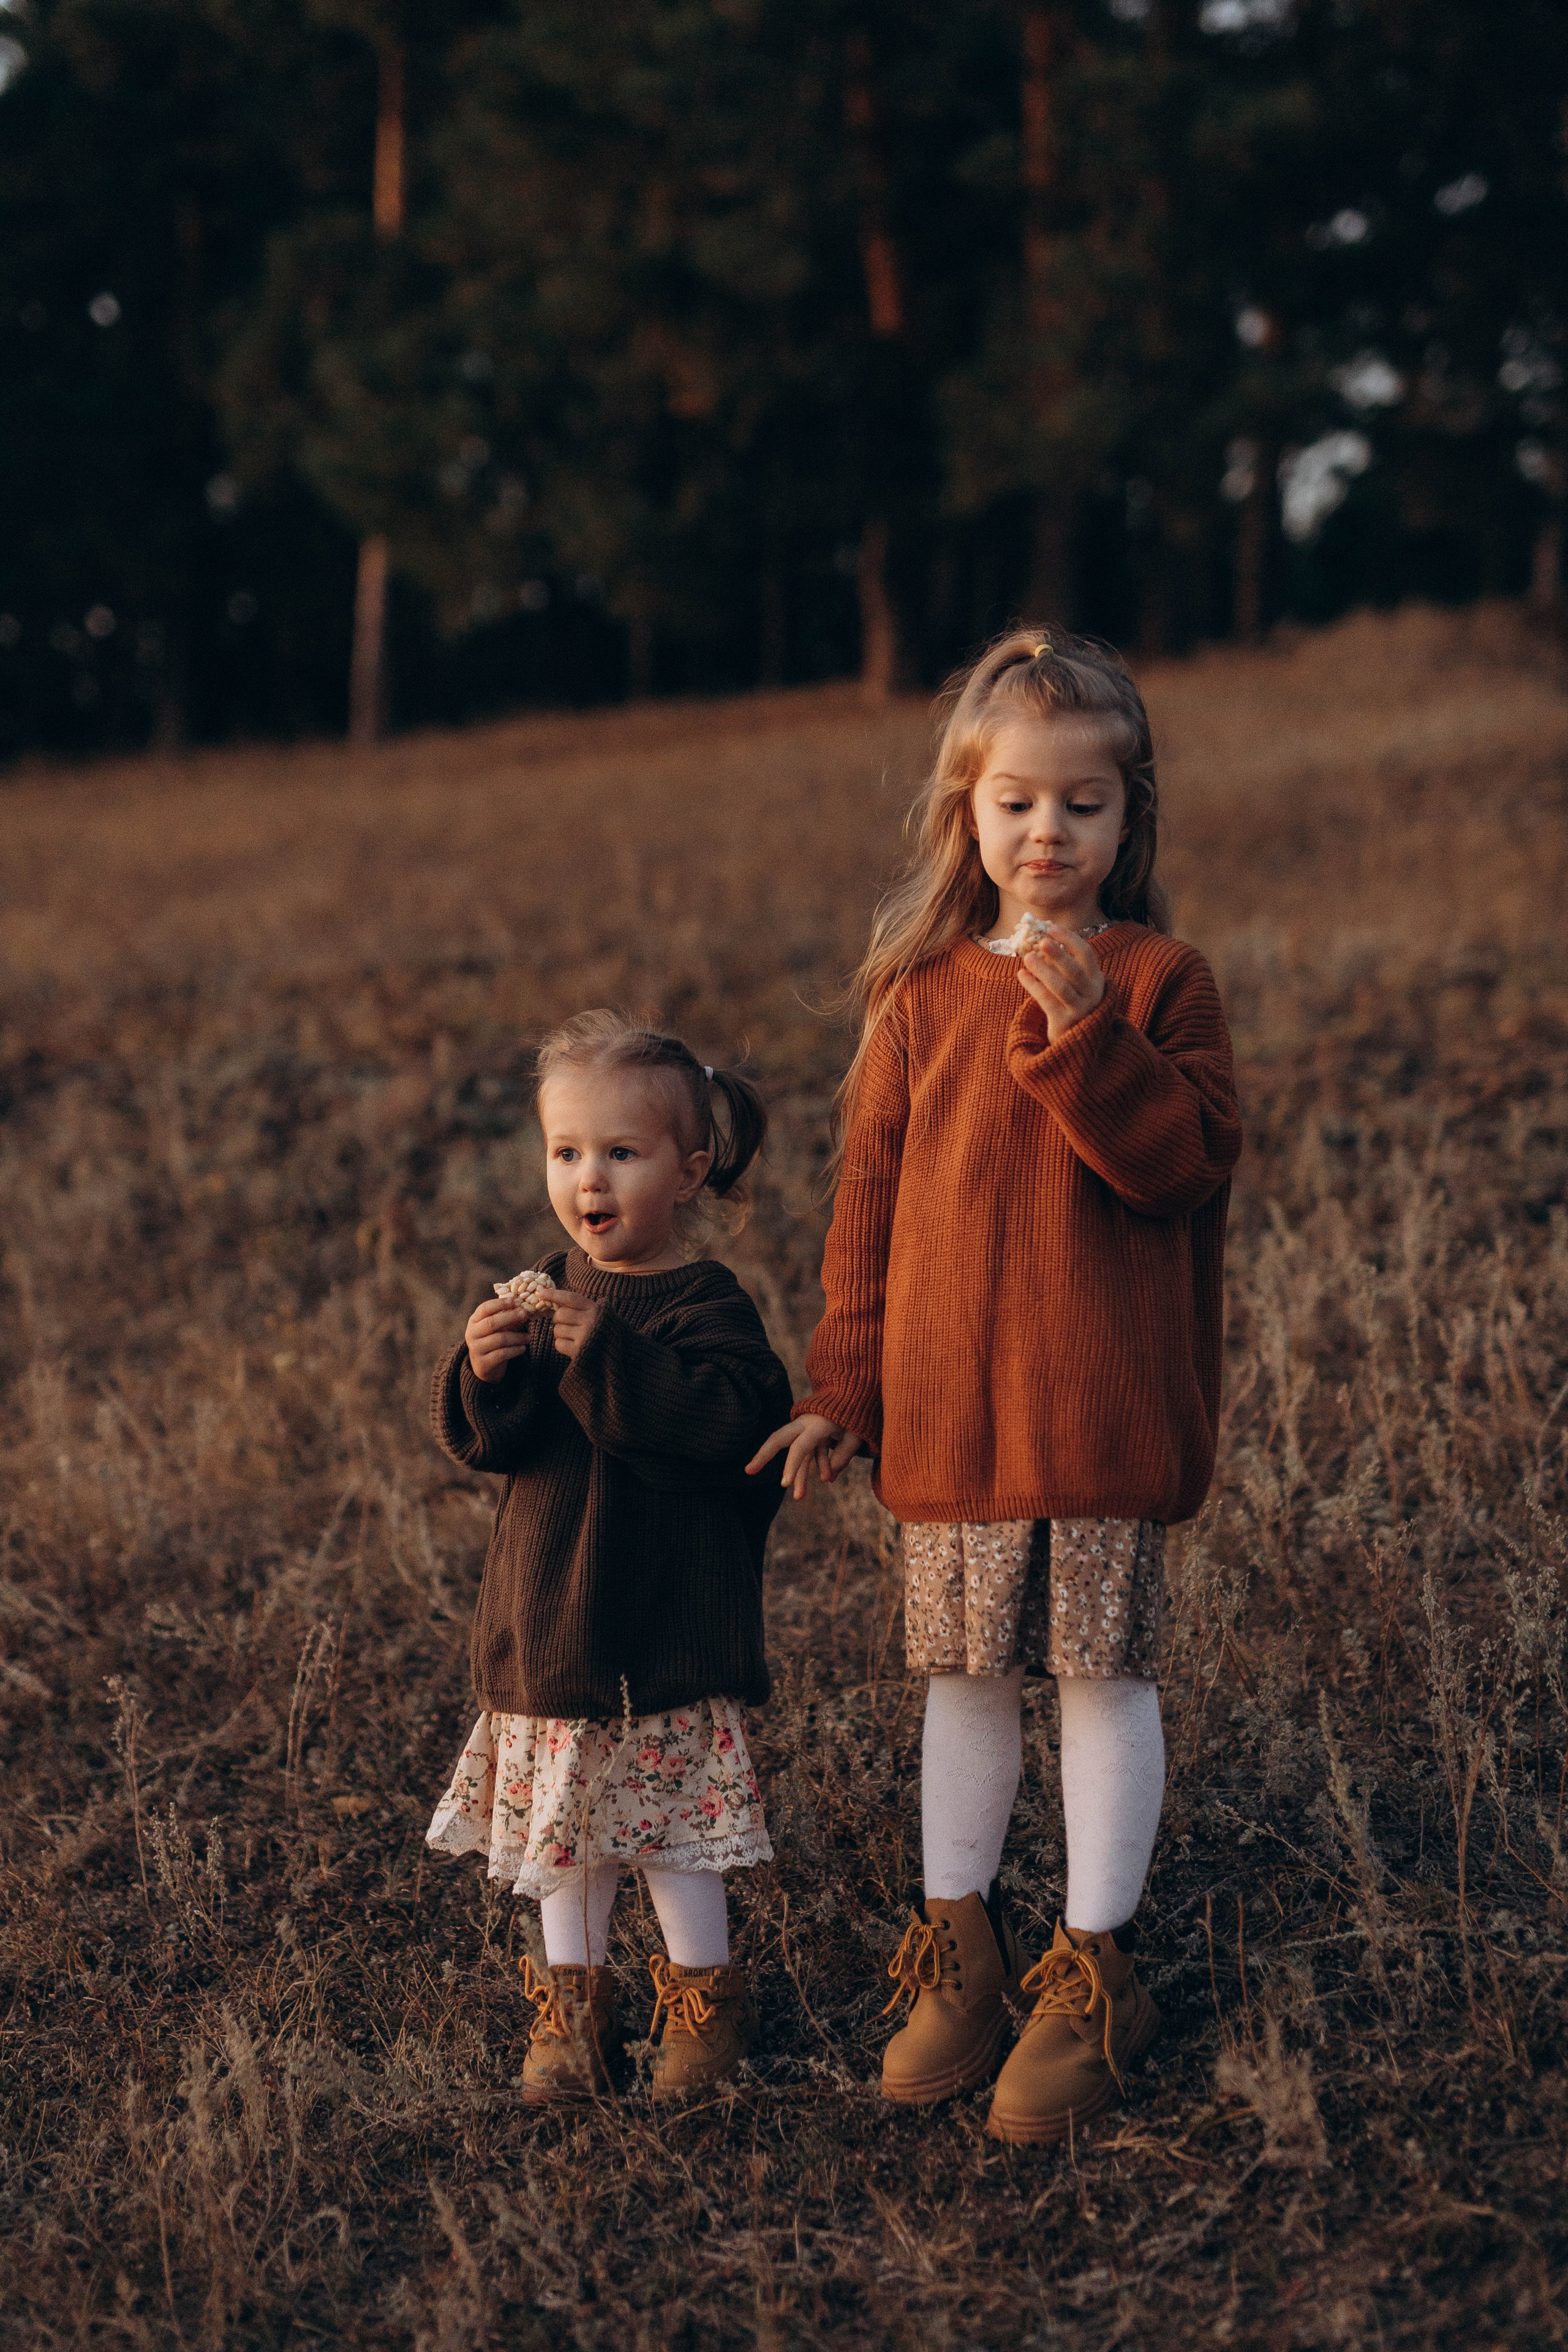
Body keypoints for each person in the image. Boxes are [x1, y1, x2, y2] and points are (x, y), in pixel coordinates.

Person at [748, 628, 1242, 2145]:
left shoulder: (1159, 983)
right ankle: (956, 1944)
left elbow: (1180, 1170)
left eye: (1081, 807)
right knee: (961, 1686)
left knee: (1098, 1681)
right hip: (952, 1421)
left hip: (1094, 1419)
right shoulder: (913, 994)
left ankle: (1094, 1966)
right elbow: (867, 1208)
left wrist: (1084, 1022)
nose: (1047, 835)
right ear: (965, 813)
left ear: (1126, 818)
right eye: (1016, 804)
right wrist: (842, 1384)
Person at [428, 1011, 793, 2104]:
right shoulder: (541, 1298)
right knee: (566, 1845)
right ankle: (569, 2013)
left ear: (688, 1173)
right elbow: (503, 1448)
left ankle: (701, 2007)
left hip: (660, 1631)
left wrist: (615, 1358)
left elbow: (733, 1427)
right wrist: (485, 1375)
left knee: (673, 1835)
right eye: (568, 1153)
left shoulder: (704, 1304)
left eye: (622, 1155)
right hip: (551, 1624)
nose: (591, 1179)